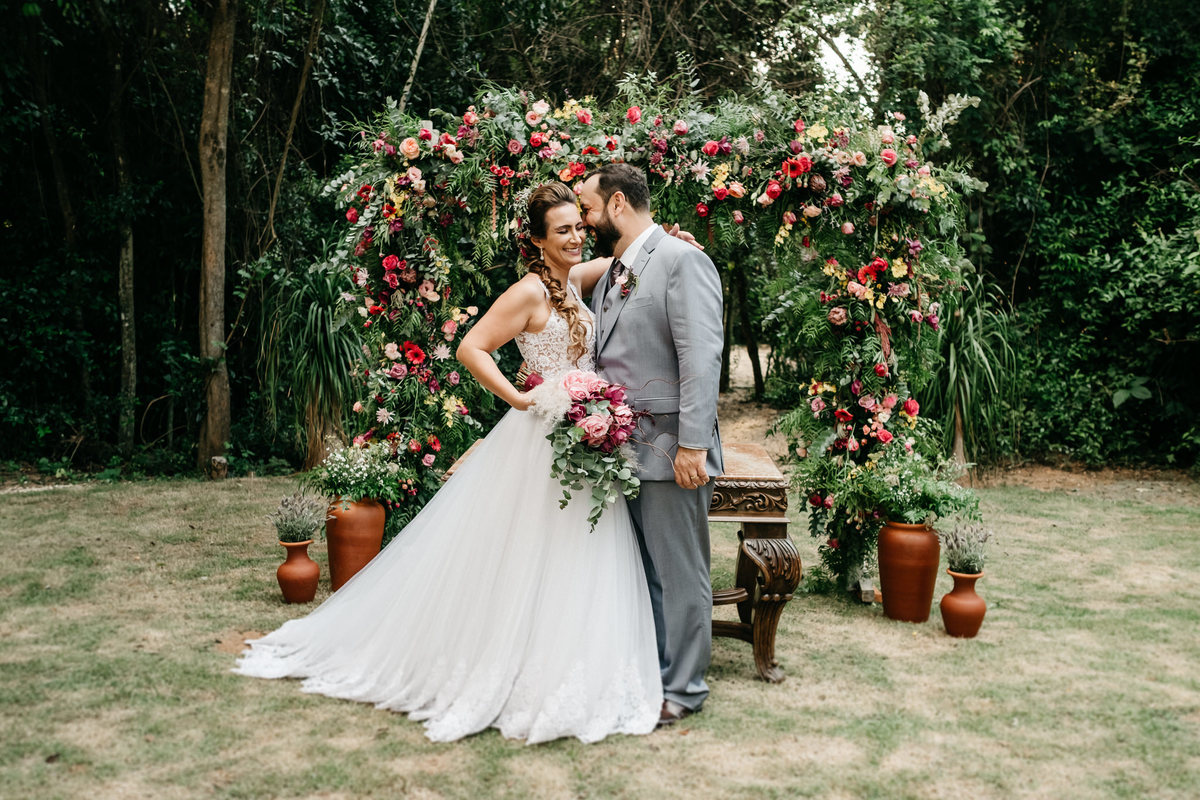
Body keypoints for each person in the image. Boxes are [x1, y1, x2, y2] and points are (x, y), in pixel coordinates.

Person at [234, 181, 664, 744]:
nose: (576, 237)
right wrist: (518, 397)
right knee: (525, 550)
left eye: (579, 227)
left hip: (579, 439)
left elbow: (613, 260)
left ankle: (558, 656)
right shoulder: (529, 292)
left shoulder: (573, 282)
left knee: (569, 552)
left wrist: (661, 239)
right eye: (563, 230)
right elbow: (470, 346)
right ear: (537, 241)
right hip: (538, 434)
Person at [578, 163, 724, 726]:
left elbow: (701, 358)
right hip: (623, 449)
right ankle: (654, 674)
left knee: (680, 572)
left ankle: (683, 689)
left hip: (670, 451)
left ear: (617, 205)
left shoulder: (682, 261)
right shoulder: (618, 269)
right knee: (645, 575)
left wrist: (692, 446)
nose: (585, 221)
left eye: (588, 208)